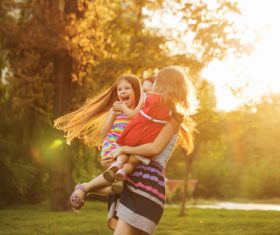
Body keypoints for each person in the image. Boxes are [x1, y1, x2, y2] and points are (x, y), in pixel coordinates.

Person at [102, 66, 196, 194]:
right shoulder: (144, 111)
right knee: (118, 184)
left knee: (125, 171)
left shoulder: (163, 116)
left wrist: (122, 150)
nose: (146, 94)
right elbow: (105, 134)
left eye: (148, 90)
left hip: (139, 167)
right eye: (144, 91)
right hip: (121, 155)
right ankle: (109, 176)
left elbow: (153, 147)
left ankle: (90, 186)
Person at [53, 74, 142, 209]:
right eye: (119, 89)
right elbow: (104, 132)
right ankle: (110, 173)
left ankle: (84, 188)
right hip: (112, 147)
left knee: (118, 188)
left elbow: (135, 118)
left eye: (127, 88)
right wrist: (112, 114)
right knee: (120, 178)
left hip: (124, 151)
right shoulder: (115, 110)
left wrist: (126, 109)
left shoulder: (137, 112)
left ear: (136, 91)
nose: (123, 92)